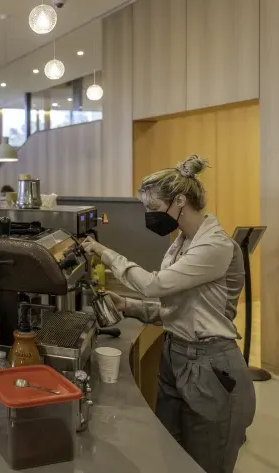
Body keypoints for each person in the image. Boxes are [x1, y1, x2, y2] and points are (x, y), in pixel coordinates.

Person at [81, 155, 255, 473]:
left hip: (210, 365)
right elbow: (181, 308)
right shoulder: (181, 243)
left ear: (179, 201)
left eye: (152, 208)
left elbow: (155, 285)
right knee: (172, 458)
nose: (149, 216)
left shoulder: (214, 246)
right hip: (175, 357)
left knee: (206, 464)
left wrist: (104, 253)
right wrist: (128, 306)